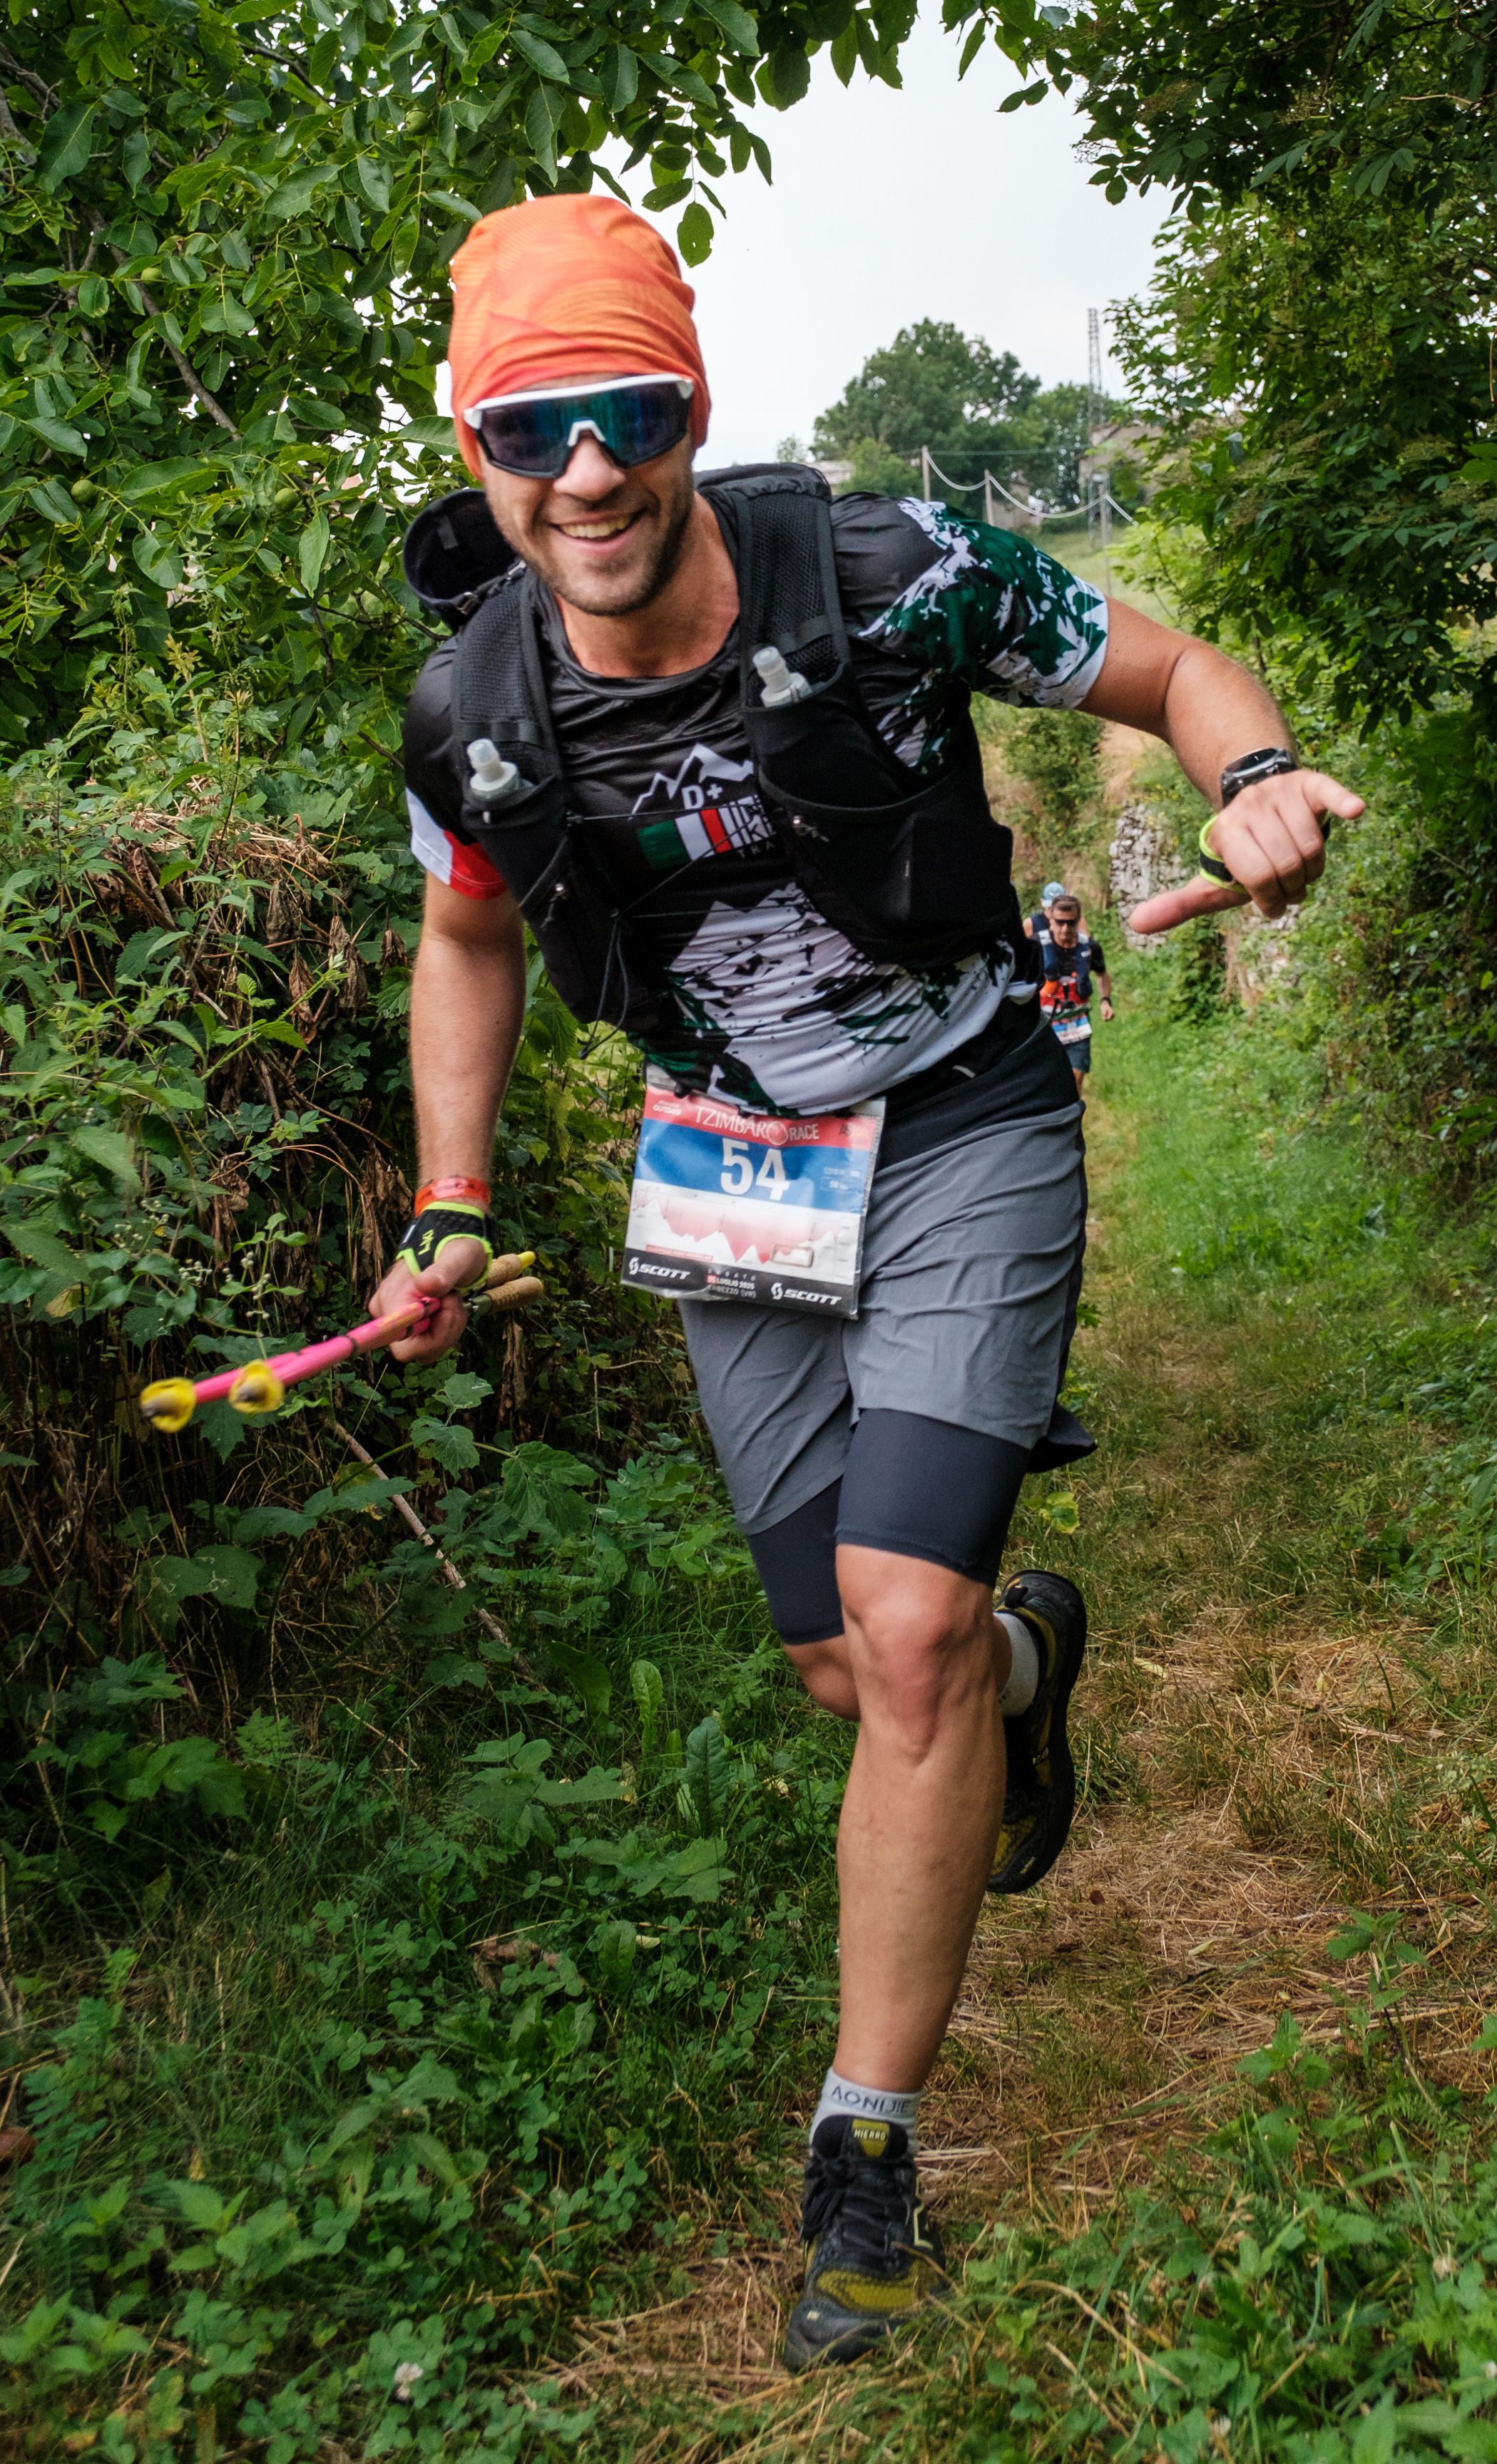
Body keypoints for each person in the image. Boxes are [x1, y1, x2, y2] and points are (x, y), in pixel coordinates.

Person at [368, 193, 1364, 2373]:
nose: (586, 470)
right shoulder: (472, 710)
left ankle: (864, 2151)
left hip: (963, 1106)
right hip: (730, 1161)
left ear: (690, 407)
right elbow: (466, 933)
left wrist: (1255, 772)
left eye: (627, 414)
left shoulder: (888, 567)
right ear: (475, 450)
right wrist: (449, 1195)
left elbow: (1169, 666)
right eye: (531, 428)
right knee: (851, 1658)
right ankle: (1023, 1664)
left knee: (896, 1627)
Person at [1038, 893, 1112, 1096]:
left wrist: (1105, 1001)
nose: (1065, 929)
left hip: (1078, 1028)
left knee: (1074, 1084)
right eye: (1060, 922)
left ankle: (1073, 1115)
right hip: (1044, 1029)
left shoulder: (1089, 947)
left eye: (1071, 923)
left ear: (1079, 920)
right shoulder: (1036, 946)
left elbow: (1102, 974)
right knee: (1046, 1085)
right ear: (1050, 918)